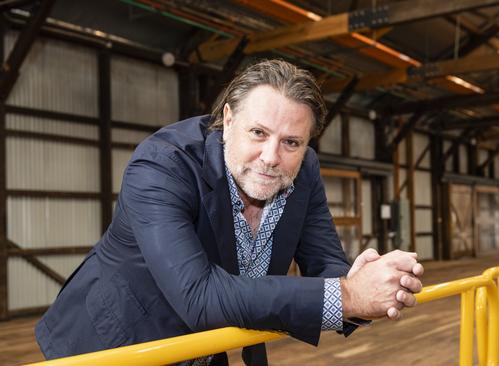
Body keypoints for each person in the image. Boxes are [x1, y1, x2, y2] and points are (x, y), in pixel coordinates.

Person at [35, 59, 424, 365]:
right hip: (112, 346)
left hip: (204, 347)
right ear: (229, 119)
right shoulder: (160, 166)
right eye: (258, 133)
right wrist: (348, 296)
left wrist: (367, 282)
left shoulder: (304, 169)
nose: (272, 157)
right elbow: (199, 295)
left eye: (291, 141)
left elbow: (325, 264)